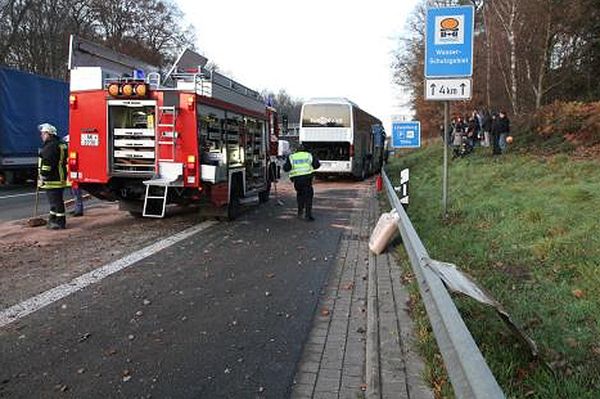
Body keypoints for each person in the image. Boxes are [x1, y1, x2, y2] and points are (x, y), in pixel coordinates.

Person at [38, 123, 69, 229]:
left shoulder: (50, 146)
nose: (42, 135)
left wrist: (43, 175)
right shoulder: (61, 143)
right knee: (55, 200)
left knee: (56, 201)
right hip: (60, 176)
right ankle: (53, 219)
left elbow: (47, 163)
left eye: (43, 133)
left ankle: (60, 222)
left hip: (53, 178)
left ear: (49, 134)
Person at [283, 143, 320, 221]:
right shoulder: (309, 155)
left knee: (300, 195)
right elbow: (316, 165)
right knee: (308, 197)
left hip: (297, 180)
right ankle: (308, 215)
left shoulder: (292, 157)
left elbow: (286, 168)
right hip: (307, 179)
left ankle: (300, 212)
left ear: (296, 150)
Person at [63, 134, 84, 216]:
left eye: (67, 143)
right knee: (74, 194)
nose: (67, 145)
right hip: (72, 178)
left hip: (75, 178)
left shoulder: (73, 153)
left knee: (76, 194)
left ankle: (79, 210)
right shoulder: (69, 153)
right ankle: (77, 209)